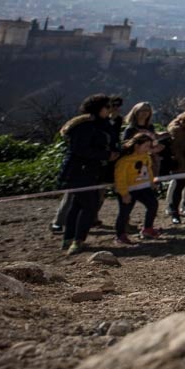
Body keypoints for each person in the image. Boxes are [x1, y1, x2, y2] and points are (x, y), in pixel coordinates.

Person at [56, 94, 115, 254]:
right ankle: (78, 240)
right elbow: (80, 150)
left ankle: (69, 238)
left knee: (77, 205)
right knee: (89, 206)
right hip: (80, 172)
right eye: (107, 107)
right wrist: (106, 155)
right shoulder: (85, 126)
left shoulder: (100, 124)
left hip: (91, 171)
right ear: (99, 108)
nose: (110, 110)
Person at [114, 132, 163, 244]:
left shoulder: (146, 157)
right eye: (145, 146)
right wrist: (124, 193)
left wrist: (151, 183)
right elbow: (120, 179)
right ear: (137, 146)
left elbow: (148, 171)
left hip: (143, 187)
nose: (147, 149)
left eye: (149, 146)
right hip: (128, 190)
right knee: (125, 213)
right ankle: (120, 234)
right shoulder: (124, 161)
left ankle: (148, 228)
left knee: (153, 204)